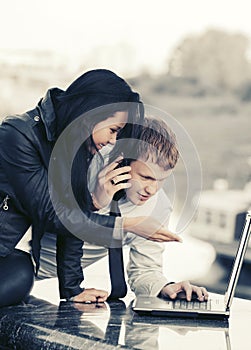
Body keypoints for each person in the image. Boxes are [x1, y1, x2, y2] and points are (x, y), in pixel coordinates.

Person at [0, 69, 181, 308]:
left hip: (14, 259)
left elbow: (71, 218)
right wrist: (121, 221)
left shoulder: (77, 147)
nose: (114, 141)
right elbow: (55, 214)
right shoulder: (20, 135)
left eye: (162, 181)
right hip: (10, 251)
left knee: (22, 276)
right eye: (114, 130)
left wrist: (72, 289)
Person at [38, 117, 208, 302]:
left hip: (33, 279)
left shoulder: (158, 206)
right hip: (15, 259)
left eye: (162, 180)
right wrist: (95, 203)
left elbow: (145, 271)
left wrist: (166, 288)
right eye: (145, 177)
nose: (152, 190)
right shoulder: (81, 171)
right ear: (122, 163)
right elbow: (50, 216)